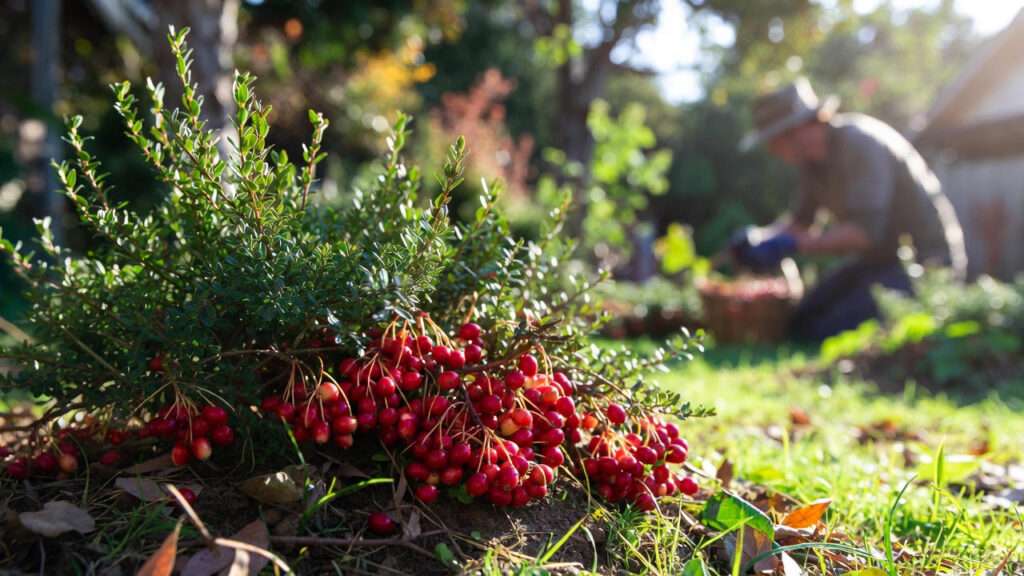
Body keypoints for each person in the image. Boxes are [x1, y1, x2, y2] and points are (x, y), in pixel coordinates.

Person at [732, 78, 967, 342]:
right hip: (876, 263)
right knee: (800, 321)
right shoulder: (812, 164)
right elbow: (800, 223)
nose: (772, 151)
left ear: (798, 130)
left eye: (774, 141)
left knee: (827, 331)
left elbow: (863, 234)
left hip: (924, 265)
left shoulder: (860, 144)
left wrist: (792, 244)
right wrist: (760, 238)